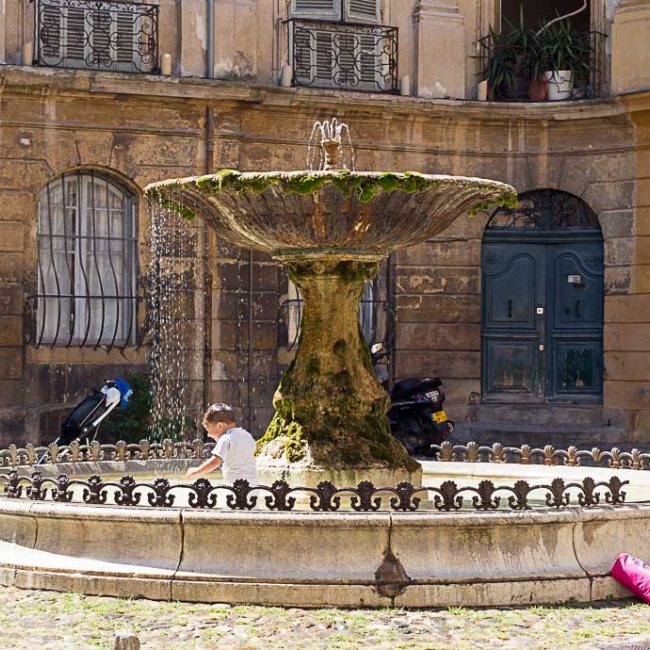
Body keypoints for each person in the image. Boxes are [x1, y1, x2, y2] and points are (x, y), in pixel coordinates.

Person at [185, 403, 258, 485]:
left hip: (235, 488)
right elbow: (254, 449)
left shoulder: (226, 439)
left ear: (220, 425)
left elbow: (215, 462)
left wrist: (196, 471)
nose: (209, 435)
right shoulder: (247, 435)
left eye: (209, 429)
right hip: (253, 486)